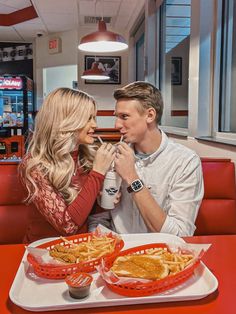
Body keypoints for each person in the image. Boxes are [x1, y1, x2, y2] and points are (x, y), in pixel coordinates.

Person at [88, 81, 204, 236]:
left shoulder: (185, 162)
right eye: (117, 116)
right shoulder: (113, 156)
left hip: (159, 254)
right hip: (117, 249)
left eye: (124, 117)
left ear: (150, 115)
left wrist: (131, 177)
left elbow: (180, 234)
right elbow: (98, 219)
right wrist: (101, 202)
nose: (116, 124)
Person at [19, 87, 115, 243]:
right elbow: (68, 226)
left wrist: (100, 199)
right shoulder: (34, 165)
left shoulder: (87, 156)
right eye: (88, 118)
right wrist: (98, 173)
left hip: (84, 249)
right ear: (67, 120)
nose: (95, 125)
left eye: (94, 118)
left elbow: (88, 213)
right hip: (45, 253)